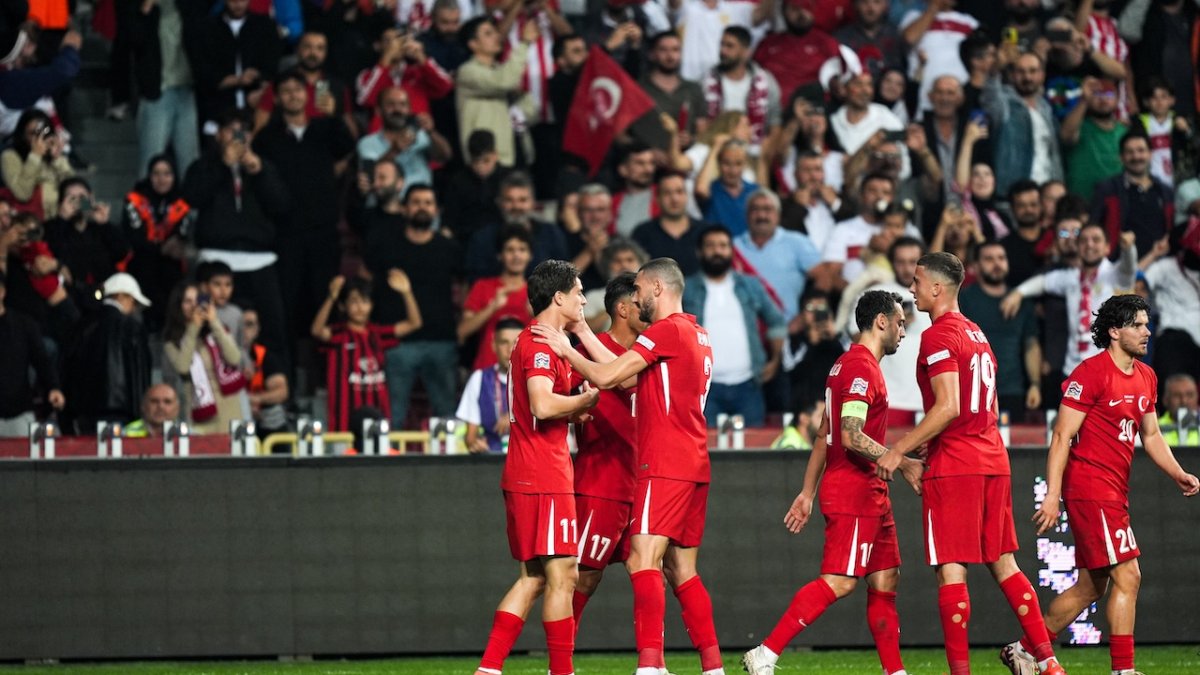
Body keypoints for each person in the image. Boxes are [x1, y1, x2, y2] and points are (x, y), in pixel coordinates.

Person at [531, 258, 724, 675]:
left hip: (662, 464)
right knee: (679, 568)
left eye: (639, 291)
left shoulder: (665, 331)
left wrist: (568, 347)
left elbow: (608, 377)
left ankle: (650, 664)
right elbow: (629, 381)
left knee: (641, 558)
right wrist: (582, 334)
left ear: (656, 288)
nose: (636, 300)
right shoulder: (696, 332)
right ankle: (713, 666)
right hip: (691, 463)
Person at [876, 252, 1066, 675]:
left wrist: (899, 448)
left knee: (951, 570)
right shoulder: (977, 333)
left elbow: (948, 406)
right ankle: (1050, 665)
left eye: (918, 281)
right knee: (1005, 564)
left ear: (937, 288)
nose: (912, 289)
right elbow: (980, 405)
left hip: (957, 464)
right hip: (992, 457)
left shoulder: (939, 336)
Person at [1001, 294, 1200, 675]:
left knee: (1092, 586)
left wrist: (1177, 473)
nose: (1147, 331)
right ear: (1114, 330)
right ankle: (1123, 670)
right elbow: (1061, 436)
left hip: (1113, 490)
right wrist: (1053, 496)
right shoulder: (1090, 374)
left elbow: (1152, 435)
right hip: (1090, 489)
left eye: (1146, 323)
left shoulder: (1146, 376)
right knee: (1129, 574)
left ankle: (1024, 649)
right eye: (1138, 325)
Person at [742, 290, 921, 675]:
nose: (905, 331)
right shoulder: (860, 368)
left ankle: (895, 671)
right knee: (840, 582)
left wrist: (807, 492)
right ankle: (766, 653)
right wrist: (901, 462)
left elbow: (826, 433)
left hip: (869, 491)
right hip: (854, 490)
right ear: (881, 322)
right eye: (901, 323)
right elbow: (850, 434)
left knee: (886, 579)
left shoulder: (844, 365)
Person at [472, 260, 598, 675]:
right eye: (578, 291)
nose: (583, 298)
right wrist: (583, 402)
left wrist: (572, 412)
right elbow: (542, 404)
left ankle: (488, 669)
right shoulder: (542, 345)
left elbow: (539, 408)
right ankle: (562, 672)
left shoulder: (544, 341)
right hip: (543, 476)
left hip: (529, 471)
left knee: (534, 577)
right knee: (564, 575)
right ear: (559, 297)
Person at [570, 272, 646, 630]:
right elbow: (551, 398)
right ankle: (561, 660)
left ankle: (653, 663)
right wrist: (574, 410)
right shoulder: (583, 352)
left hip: (644, 487)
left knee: (651, 573)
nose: (648, 306)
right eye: (640, 300)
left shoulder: (651, 353)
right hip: (601, 484)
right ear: (622, 309)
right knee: (584, 577)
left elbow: (625, 380)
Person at [684, 225, 784, 428]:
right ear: (699, 251)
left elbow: (776, 321)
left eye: (723, 245)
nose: (717, 251)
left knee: (753, 455)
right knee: (706, 454)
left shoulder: (750, 285)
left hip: (748, 385)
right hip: (703, 387)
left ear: (731, 250)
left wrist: (775, 359)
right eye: (710, 246)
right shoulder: (686, 289)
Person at [311, 273, 422, 433]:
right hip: (344, 424)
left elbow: (414, 323)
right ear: (343, 306)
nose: (360, 307)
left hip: (377, 420)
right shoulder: (338, 334)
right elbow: (317, 330)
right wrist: (331, 298)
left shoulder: (377, 334)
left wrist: (407, 292)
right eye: (354, 301)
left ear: (371, 305)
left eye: (365, 301)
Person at [960, 242, 1042, 422]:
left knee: (1011, 449)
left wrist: (1035, 384)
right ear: (975, 266)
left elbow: (1031, 345)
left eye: (1001, 258)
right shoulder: (963, 299)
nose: (997, 264)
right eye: (989, 259)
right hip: (973, 392)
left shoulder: (1021, 302)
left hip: (1013, 390)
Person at [65, 272, 154, 432]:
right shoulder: (132, 327)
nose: (134, 308)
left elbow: (68, 368)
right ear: (122, 296)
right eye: (133, 301)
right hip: (123, 412)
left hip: (84, 414)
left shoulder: (82, 325)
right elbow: (141, 373)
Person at [162, 282, 246, 435]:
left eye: (197, 300)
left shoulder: (216, 331)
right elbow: (183, 366)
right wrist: (193, 327)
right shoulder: (172, 341)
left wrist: (214, 322)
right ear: (178, 306)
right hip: (199, 417)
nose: (194, 305)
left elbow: (235, 358)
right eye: (188, 301)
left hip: (230, 414)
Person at [122, 154, 192, 330]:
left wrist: (167, 246)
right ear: (149, 176)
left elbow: (179, 239)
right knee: (147, 264)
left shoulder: (182, 202)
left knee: (172, 268)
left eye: (167, 174)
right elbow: (135, 239)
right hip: (140, 263)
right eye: (156, 174)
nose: (162, 179)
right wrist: (162, 247)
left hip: (171, 267)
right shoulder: (134, 200)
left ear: (174, 176)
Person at [459, 227, 535, 370]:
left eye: (522, 250)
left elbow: (564, 336)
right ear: (500, 255)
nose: (516, 256)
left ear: (530, 255)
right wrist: (492, 307)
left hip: (528, 373)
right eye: (510, 250)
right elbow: (462, 332)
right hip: (487, 369)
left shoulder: (538, 291)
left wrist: (537, 314)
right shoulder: (482, 286)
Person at [0, 269, 63, 437]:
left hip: (18, 413)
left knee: (24, 462)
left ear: (2, 291)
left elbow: (42, 360)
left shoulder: (23, 325)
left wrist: (54, 387)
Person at [457, 318, 522, 453]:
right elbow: (470, 437)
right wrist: (475, 444)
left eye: (516, 343)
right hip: (493, 459)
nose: (510, 349)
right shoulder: (479, 379)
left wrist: (515, 413)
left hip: (529, 460)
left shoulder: (537, 379)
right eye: (504, 343)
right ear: (493, 345)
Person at [0, 108, 73, 218]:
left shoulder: (53, 155)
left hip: (56, 220)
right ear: (23, 134)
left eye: (44, 132)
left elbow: (73, 189)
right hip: (27, 221)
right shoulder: (10, 156)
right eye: (33, 133)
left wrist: (58, 158)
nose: (39, 138)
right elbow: (23, 194)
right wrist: (35, 156)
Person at [631, 173, 705, 277]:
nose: (674, 199)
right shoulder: (642, 233)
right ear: (657, 198)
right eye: (667, 193)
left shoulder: (705, 231)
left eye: (679, 192)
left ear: (687, 196)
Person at [240, 304, 289, 438]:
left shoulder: (264, 356)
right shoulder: (220, 354)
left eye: (250, 325)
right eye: (241, 324)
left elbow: (282, 392)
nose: (244, 330)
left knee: (275, 413)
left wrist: (255, 399)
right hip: (233, 414)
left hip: (262, 419)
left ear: (257, 329)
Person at [1158, 373, 1199, 446]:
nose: (1184, 401)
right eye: (1177, 395)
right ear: (1165, 400)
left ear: (1197, 398)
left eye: (1190, 395)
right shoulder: (1154, 428)